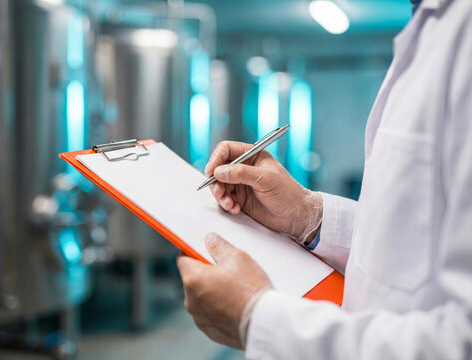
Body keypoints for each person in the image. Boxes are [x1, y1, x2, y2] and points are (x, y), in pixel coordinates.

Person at [176, 0, 472, 358]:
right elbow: (418, 240)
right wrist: (307, 213)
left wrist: (259, 318)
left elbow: (460, 342)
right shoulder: (432, 28)